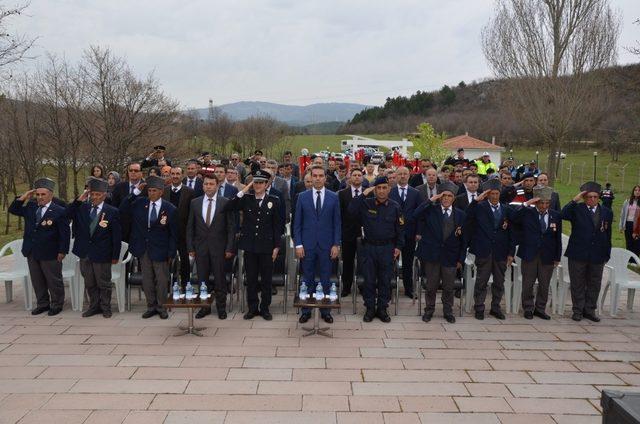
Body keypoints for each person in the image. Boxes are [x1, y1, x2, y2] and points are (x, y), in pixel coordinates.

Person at [9, 178, 70, 316]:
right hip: (32, 250)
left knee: (53, 280)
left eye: (43, 194)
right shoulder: (31, 207)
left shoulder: (59, 210)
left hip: (51, 251)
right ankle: (42, 304)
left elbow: (65, 233)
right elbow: (13, 209)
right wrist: (24, 197)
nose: (40, 197)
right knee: (37, 280)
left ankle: (57, 304)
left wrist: (62, 250)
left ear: (51, 195)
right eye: (38, 194)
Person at [119, 175, 178, 319]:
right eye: (149, 190)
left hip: (161, 250)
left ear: (161, 192)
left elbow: (173, 233)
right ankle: (151, 306)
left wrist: (171, 253)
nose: (151, 193)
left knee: (162, 280)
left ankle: (162, 306)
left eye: (154, 191)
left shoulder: (169, 208)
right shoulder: (139, 203)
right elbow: (123, 208)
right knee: (147, 279)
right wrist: (136, 193)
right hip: (143, 248)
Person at [348, 176, 404, 323]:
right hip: (369, 248)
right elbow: (351, 210)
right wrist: (364, 193)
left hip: (387, 248)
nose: (381, 191)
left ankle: (382, 308)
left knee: (385, 279)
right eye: (378, 188)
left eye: (384, 188)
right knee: (369, 279)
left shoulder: (395, 206)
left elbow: (400, 229)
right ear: (374, 189)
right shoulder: (366, 204)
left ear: (389, 189)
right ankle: (370, 308)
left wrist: (398, 247)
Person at [227, 170, 282, 320]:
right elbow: (229, 205)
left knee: (266, 279)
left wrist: (277, 247)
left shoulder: (274, 200)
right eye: (255, 182)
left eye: (261, 182)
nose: (258, 185)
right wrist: (245, 188)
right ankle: (252, 308)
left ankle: (265, 308)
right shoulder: (246, 198)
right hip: (250, 246)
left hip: (267, 246)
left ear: (266, 184)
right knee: (250, 279)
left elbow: (278, 226)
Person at [67, 178, 122, 318]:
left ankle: (105, 307)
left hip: (102, 252)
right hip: (85, 251)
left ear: (104, 195)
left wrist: (115, 255)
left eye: (98, 194)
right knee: (89, 281)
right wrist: (79, 200)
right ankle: (94, 306)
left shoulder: (112, 211)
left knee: (103, 282)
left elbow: (116, 236)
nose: (95, 197)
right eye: (92, 194)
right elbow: (66, 215)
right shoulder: (82, 207)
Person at [294, 165, 342, 324]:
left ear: (325, 178)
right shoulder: (302, 196)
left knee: (325, 278)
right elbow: (297, 224)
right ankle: (306, 310)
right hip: (307, 245)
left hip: (327, 245)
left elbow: (337, 223)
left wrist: (336, 244)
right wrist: (298, 244)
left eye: (321, 175)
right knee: (307, 278)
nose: (317, 178)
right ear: (310, 177)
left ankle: (325, 311)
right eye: (314, 175)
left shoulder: (333, 197)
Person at [413, 182, 466, 324]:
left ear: (454, 198)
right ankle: (429, 310)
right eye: (444, 196)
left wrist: (461, 259)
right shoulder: (431, 210)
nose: (446, 198)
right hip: (432, 255)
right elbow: (415, 214)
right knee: (431, 286)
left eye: (450, 196)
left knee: (449, 287)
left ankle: (448, 311)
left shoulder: (460, 215)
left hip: (451, 257)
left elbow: (464, 240)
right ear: (440, 197)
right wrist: (430, 200)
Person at [186, 174, 235, 320]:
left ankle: (221, 308)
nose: (208, 186)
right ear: (202, 186)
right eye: (206, 184)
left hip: (219, 248)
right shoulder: (195, 202)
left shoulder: (225, 202)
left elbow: (231, 228)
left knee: (220, 279)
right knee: (202, 279)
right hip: (200, 248)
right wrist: (190, 247)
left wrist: (229, 248)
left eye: (211, 184)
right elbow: (190, 227)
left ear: (217, 186)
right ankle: (204, 307)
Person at [562, 181, 613, 322]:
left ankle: (590, 310)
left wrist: (607, 253)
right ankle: (577, 310)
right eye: (589, 197)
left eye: (595, 197)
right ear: (585, 198)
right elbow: (563, 214)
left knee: (594, 283)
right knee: (577, 283)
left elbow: (608, 234)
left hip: (597, 254)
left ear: (599, 198)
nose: (592, 199)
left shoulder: (606, 212)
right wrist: (575, 199)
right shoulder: (577, 209)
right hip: (578, 253)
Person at [465, 179, 515, 320]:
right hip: (484, 250)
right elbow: (467, 215)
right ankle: (479, 307)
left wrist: (511, 252)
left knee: (499, 281)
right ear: (487, 194)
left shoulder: (506, 209)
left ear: (500, 194)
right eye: (491, 193)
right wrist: (476, 201)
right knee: (482, 280)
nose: (494, 196)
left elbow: (511, 232)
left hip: (501, 251)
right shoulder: (480, 207)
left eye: (496, 193)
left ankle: (495, 307)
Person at [513, 186, 562, 319]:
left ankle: (540, 308)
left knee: (544, 284)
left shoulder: (555, 215)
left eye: (547, 203)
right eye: (541, 203)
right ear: (535, 202)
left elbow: (557, 238)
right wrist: (526, 204)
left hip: (548, 255)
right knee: (528, 283)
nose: (544, 206)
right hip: (529, 253)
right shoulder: (527, 212)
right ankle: (528, 308)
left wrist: (557, 256)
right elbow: (513, 216)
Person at [389, 166, 421, 299]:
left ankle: (409, 289)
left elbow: (420, 214)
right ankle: (389, 288)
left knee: (408, 263)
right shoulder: (390, 192)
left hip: (410, 233)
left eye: (405, 174)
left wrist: (418, 232)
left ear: (409, 176)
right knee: (390, 262)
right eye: (400, 174)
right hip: (392, 234)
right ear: (396, 176)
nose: (402, 176)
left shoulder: (416, 193)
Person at [162, 167, 195, 286]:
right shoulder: (164, 191)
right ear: (170, 175)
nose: (175, 176)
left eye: (177, 174)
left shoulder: (190, 192)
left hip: (183, 233)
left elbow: (192, 214)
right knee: (166, 260)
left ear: (182, 175)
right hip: (166, 232)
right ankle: (167, 286)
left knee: (184, 261)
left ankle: (185, 286)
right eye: (173, 174)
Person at [338, 168, 365, 297]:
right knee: (347, 261)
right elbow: (340, 214)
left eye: (359, 175)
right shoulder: (342, 194)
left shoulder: (368, 193)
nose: (357, 177)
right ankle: (346, 287)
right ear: (350, 178)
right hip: (347, 234)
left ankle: (362, 285)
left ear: (363, 178)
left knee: (363, 262)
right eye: (354, 175)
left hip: (363, 234)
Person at [620, 185, 640, 252]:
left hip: (637, 225)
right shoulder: (627, 201)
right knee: (629, 242)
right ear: (633, 192)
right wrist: (621, 226)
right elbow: (623, 214)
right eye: (635, 190)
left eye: (639, 190)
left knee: (636, 243)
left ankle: (635, 261)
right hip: (628, 224)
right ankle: (629, 260)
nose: (637, 192)